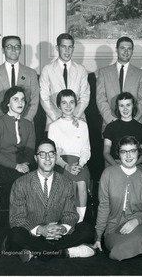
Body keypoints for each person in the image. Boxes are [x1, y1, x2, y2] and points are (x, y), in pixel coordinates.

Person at [7, 138, 96, 263]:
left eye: (51, 154)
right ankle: (66, 252)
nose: (47, 158)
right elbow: (17, 217)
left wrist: (63, 228)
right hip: (32, 234)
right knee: (15, 235)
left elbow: (70, 214)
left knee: (88, 230)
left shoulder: (66, 183)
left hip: (57, 234)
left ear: (55, 156)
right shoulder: (21, 183)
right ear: (36, 158)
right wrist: (40, 230)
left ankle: (37, 252)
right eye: (42, 154)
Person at [93, 136, 142, 261]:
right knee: (119, 248)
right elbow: (103, 207)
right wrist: (97, 237)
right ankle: (140, 248)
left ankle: (140, 245)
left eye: (132, 151)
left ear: (138, 153)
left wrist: (137, 221)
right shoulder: (108, 174)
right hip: (114, 229)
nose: (128, 156)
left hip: (138, 228)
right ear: (118, 154)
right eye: (124, 151)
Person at [48, 89, 91, 223]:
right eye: (64, 103)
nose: (68, 106)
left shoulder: (83, 125)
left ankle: (80, 221)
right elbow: (52, 153)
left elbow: (86, 149)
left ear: (76, 104)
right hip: (61, 164)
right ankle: (68, 220)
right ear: (59, 106)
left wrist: (80, 164)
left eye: (71, 102)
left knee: (82, 183)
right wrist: (66, 166)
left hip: (79, 164)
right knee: (71, 184)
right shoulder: (54, 126)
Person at [0, 86, 36, 201]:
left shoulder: (28, 124)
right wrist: (16, 166)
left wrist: (25, 165)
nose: (20, 103)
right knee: (20, 181)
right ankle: (16, 214)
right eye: (16, 99)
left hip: (23, 165)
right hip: (1, 166)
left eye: (23, 99)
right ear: (8, 103)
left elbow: (30, 151)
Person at [40, 33, 90, 131]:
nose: (67, 51)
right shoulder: (47, 69)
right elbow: (44, 97)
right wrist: (59, 119)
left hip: (77, 120)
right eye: (63, 47)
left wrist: (73, 117)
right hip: (54, 120)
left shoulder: (81, 70)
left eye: (70, 47)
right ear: (57, 48)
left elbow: (85, 97)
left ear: (73, 48)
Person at [96, 36, 142, 132]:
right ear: (116, 50)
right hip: (110, 124)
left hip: (134, 125)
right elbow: (101, 99)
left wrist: (130, 121)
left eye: (129, 49)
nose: (126, 52)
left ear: (132, 51)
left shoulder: (140, 74)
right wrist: (113, 121)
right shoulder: (104, 72)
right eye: (122, 48)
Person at [0, 35, 39, 121]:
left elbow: (34, 102)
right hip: (0, 125)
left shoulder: (31, 74)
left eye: (17, 46)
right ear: (3, 50)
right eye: (9, 47)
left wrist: (22, 122)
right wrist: (6, 123)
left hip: (25, 124)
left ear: (20, 50)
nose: (13, 50)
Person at [103, 92, 142, 168]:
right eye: (121, 106)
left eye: (128, 105)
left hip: (134, 163)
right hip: (114, 163)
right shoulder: (110, 127)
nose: (125, 109)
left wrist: (132, 165)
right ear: (118, 107)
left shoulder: (141, 128)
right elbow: (106, 153)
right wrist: (117, 166)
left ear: (133, 106)